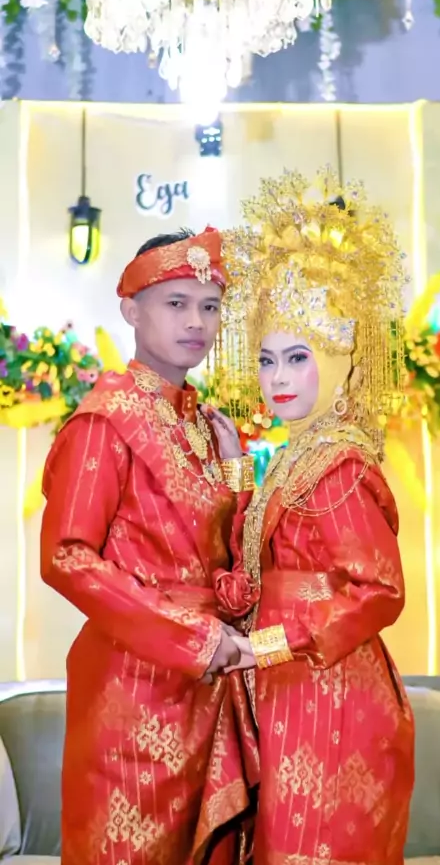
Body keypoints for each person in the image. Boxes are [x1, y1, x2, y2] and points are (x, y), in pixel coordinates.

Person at [213, 170, 415, 864]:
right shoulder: (298, 454)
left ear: (335, 361)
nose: (277, 378)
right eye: (268, 359)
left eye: (298, 358)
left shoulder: (340, 464)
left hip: (333, 696)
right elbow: (259, 553)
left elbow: (379, 591)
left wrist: (264, 645)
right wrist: (237, 466)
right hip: (292, 690)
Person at [40, 227, 259, 865]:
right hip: (133, 691)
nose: (196, 322)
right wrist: (192, 638)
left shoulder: (204, 425)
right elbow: (67, 557)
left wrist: (237, 471)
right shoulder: (104, 420)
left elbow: (230, 560)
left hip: (210, 685)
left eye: (210, 306)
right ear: (131, 310)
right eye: (176, 303)